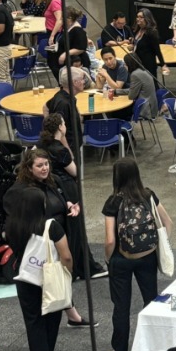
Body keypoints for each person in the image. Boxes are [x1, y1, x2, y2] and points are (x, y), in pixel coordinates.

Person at [103, 158, 172, 351]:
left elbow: (109, 240)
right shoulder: (148, 195)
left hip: (122, 259)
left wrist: (109, 258)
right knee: (151, 300)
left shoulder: (113, 202)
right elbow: (168, 222)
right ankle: (155, 347)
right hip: (148, 256)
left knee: (121, 306)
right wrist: (160, 246)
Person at [13, 148, 94, 324]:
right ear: (29, 168)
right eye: (39, 165)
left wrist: (71, 206)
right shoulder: (23, 190)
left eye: (47, 164)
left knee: (58, 277)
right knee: (50, 278)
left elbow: (63, 200)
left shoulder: (54, 181)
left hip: (61, 235)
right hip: (42, 241)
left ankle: (71, 314)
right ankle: (66, 315)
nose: (45, 168)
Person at [3, 185, 72, 351]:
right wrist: (68, 273)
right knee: (52, 312)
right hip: (49, 277)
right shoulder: (51, 226)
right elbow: (65, 255)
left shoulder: (12, 225)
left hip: (25, 276)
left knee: (32, 319)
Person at [38, 113, 105, 283]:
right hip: (68, 189)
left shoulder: (41, 146)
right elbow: (75, 170)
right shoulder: (60, 150)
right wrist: (65, 145)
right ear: (61, 127)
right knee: (76, 228)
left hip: (51, 189)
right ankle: (82, 267)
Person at [49, 6, 90, 77]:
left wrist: (65, 54)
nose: (61, 20)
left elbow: (81, 48)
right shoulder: (68, 28)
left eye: (62, 18)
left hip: (74, 62)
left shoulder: (78, 30)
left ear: (69, 18)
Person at [133, 8, 169, 84]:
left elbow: (157, 50)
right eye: (137, 17)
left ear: (147, 18)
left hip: (148, 64)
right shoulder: (138, 30)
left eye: (141, 17)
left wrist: (163, 65)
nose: (138, 19)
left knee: (151, 85)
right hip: (138, 62)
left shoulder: (152, 32)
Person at [124, 53, 157, 122]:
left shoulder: (135, 74)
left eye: (125, 64)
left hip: (144, 108)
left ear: (129, 64)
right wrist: (116, 91)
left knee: (120, 112)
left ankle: (124, 130)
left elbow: (131, 96)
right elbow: (132, 90)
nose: (124, 66)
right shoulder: (143, 70)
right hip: (151, 106)